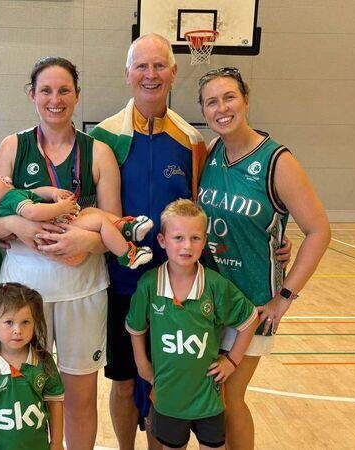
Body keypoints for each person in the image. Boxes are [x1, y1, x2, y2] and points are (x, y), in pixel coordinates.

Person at [0, 56, 120, 449]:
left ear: (77, 95)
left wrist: (87, 241)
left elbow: (116, 221)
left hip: (83, 290)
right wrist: (16, 224)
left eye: (64, 90)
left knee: (79, 396)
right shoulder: (13, 146)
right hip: (23, 296)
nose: (55, 99)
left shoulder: (99, 152)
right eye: (46, 91)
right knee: (21, 393)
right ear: (32, 95)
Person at [196, 67, 331, 450]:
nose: (221, 108)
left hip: (253, 304)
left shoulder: (277, 161)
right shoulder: (211, 152)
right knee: (211, 400)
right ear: (204, 112)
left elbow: (320, 231)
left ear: (245, 100)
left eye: (229, 97)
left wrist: (284, 297)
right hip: (210, 300)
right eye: (211, 102)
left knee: (228, 398)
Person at [87, 33, 208, 450]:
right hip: (121, 285)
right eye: (142, 66)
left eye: (159, 66)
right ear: (127, 74)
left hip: (175, 289)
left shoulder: (192, 141)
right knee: (122, 383)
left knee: (167, 386)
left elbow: (207, 212)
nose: (151, 75)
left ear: (173, 73)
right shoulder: (103, 138)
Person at [127, 200, 258, 450]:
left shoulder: (215, 285)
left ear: (204, 240)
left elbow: (250, 319)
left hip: (207, 399)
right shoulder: (149, 285)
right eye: (178, 237)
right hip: (168, 399)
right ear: (162, 241)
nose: (187, 245)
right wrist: (142, 364)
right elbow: (135, 327)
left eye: (195, 238)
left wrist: (232, 361)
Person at [0, 173, 153, 269]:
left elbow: (35, 193)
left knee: (92, 212)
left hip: (60, 227)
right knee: (98, 221)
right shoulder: (12, 201)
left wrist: (53, 192)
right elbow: (33, 212)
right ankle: (128, 255)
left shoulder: (12, 195)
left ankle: (126, 227)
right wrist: (59, 207)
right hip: (59, 230)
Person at [0, 283, 65, 450]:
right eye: (9, 322)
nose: (18, 330)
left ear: (35, 323)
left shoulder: (44, 361)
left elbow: (55, 404)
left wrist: (57, 443)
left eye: (25, 322)